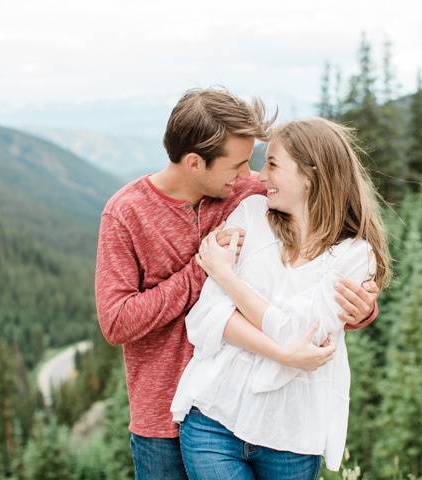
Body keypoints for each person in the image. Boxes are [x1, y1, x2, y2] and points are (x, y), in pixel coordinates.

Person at [94, 88, 381, 479]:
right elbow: (116, 322)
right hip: (162, 415)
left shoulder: (247, 196)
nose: (251, 176)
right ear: (196, 163)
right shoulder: (126, 214)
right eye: (239, 164)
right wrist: (203, 270)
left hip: (246, 407)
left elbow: (319, 235)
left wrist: (360, 307)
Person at [170, 117, 391, 479]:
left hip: (291, 434)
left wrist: (226, 277)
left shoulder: (356, 256)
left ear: (310, 174)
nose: (259, 175)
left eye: (272, 164)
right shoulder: (250, 215)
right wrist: (283, 353)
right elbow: (207, 315)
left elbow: (299, 334)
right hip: (215, 418)